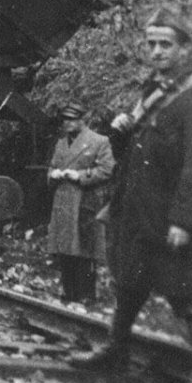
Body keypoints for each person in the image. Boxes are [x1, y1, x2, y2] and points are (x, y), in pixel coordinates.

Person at [72, 8, 192, 383]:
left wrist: (183, 221)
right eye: (151, 44)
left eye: (166, 44)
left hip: (170, 216)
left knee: (187, 296)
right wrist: (119, 133)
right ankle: (116, 349)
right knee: (129, 283)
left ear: (185, 49)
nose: (157, 51)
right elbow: (133, 154)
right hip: (137, 209)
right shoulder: (153, 91)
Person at [46, 103, 114, 304]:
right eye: (64, 120)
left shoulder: (99, 141)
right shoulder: (61, 143)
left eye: (71, 119)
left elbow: (107, 169)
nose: (67, 123)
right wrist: (53, 174)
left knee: (85, 249)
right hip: (63, 201)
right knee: (65, 249)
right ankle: (69, 293)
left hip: (85, 201)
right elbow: (52, 167)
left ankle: (86, 295)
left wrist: (81, 175)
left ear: (82, 120)